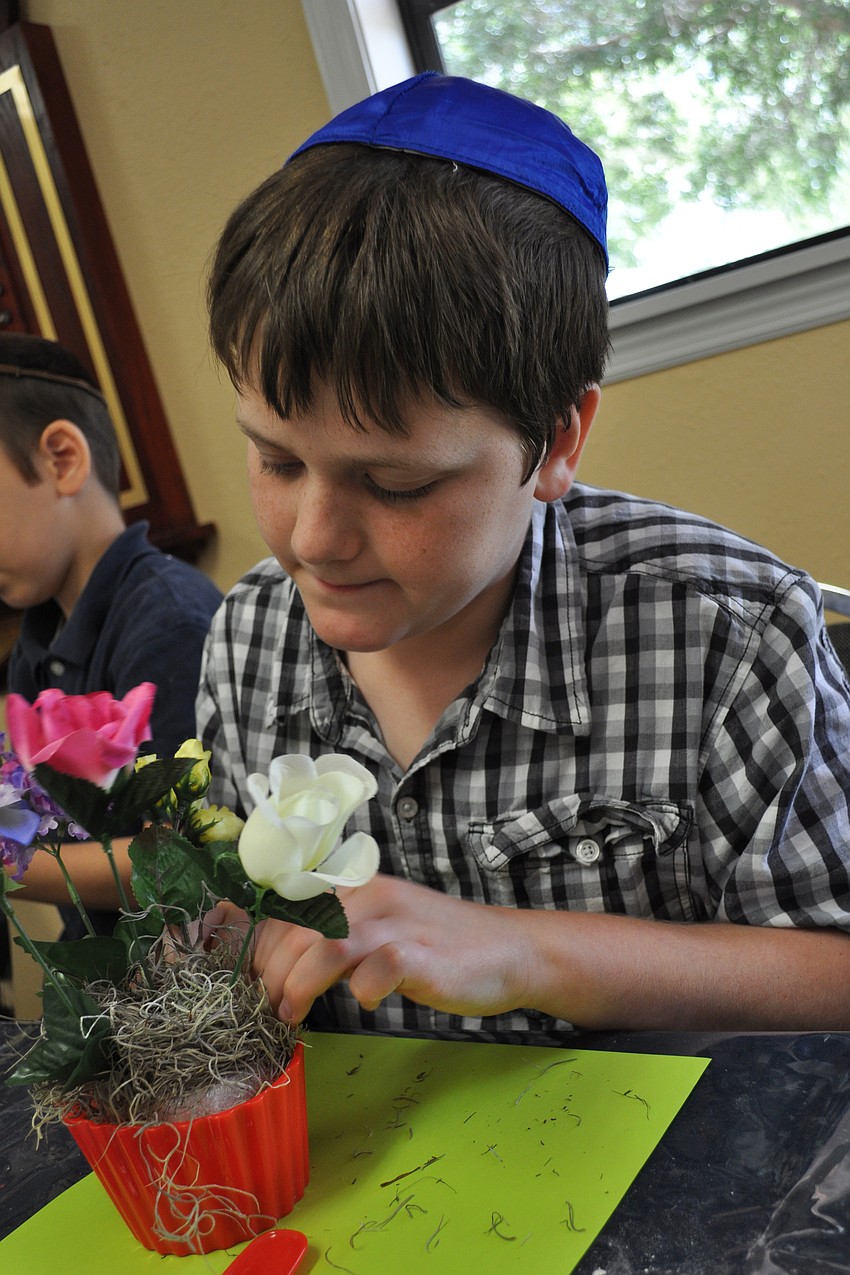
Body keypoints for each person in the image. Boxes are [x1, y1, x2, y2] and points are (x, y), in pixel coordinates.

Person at [196, 73, 850, 1043]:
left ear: (555, 441)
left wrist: (524, 948)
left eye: (398, 485)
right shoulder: (249, 638)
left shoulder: (730, 637)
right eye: (276, 459)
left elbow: (832, 971)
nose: (311, 537)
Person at [0, 332, 223, 950]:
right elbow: (43, 827)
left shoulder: (170, 621)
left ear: (62, 459)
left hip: (191, 1004)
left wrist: (9, 864)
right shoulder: (34, 646)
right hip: (109, 992)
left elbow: (192, 857)